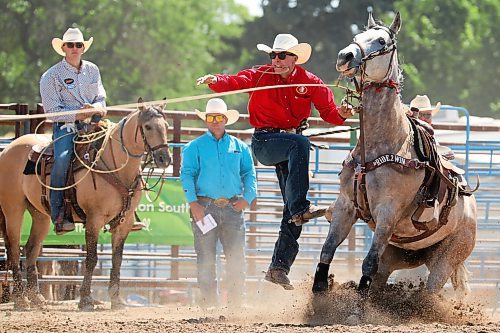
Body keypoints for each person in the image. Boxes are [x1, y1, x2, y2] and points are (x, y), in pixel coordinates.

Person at [196, 33, 354, 290]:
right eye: (273, 55)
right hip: (266, 142)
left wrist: (342, 113)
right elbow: (236, 81)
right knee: (300, 155)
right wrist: (216, 80)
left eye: (281, 56)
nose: (276, 60)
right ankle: (299, 207)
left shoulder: (310, 82)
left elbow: (330, 113)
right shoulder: (259, 76)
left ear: (294, 58)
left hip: (292, 147)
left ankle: (279, 267)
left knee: (291, 211)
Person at [180, 98, 257, 309]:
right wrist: (193, 203)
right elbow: (186, 175)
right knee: (206, 258)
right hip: (205, 208)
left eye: (218, 118)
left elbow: (249, 173)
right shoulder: (193, 147)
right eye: (211, 117)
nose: (215, 121)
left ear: (225, 120)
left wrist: (247, 198)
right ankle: (209, 304)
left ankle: (235, 305)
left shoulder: (239, 147)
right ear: (206, 120)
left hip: (232, 208)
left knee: (236, 259)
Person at [40, 27, 107, 235]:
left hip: (94, 124)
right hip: (66, 127)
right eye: (71, 45)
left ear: (83, 48)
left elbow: (101, 97)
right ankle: (59, 214)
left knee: (117, 149)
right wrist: (77, 114)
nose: (75, 48)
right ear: (63, 48)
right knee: (62, 158)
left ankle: (125, 209)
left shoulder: (93, 70)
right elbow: (52, 112)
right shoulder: (50, 76)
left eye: (79, 45)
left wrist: (96, 108)